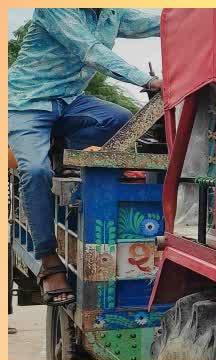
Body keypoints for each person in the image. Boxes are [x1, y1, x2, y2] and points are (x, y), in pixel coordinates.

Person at [8, 9, 161, 306]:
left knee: (118, 118)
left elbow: (162, 21)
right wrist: (147, 81)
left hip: (68, 103)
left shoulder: (112, 14)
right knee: (36, 171)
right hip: (26, 103)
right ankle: (49, 260)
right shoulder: (56, 8)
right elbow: (90, 50)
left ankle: (59, 150)